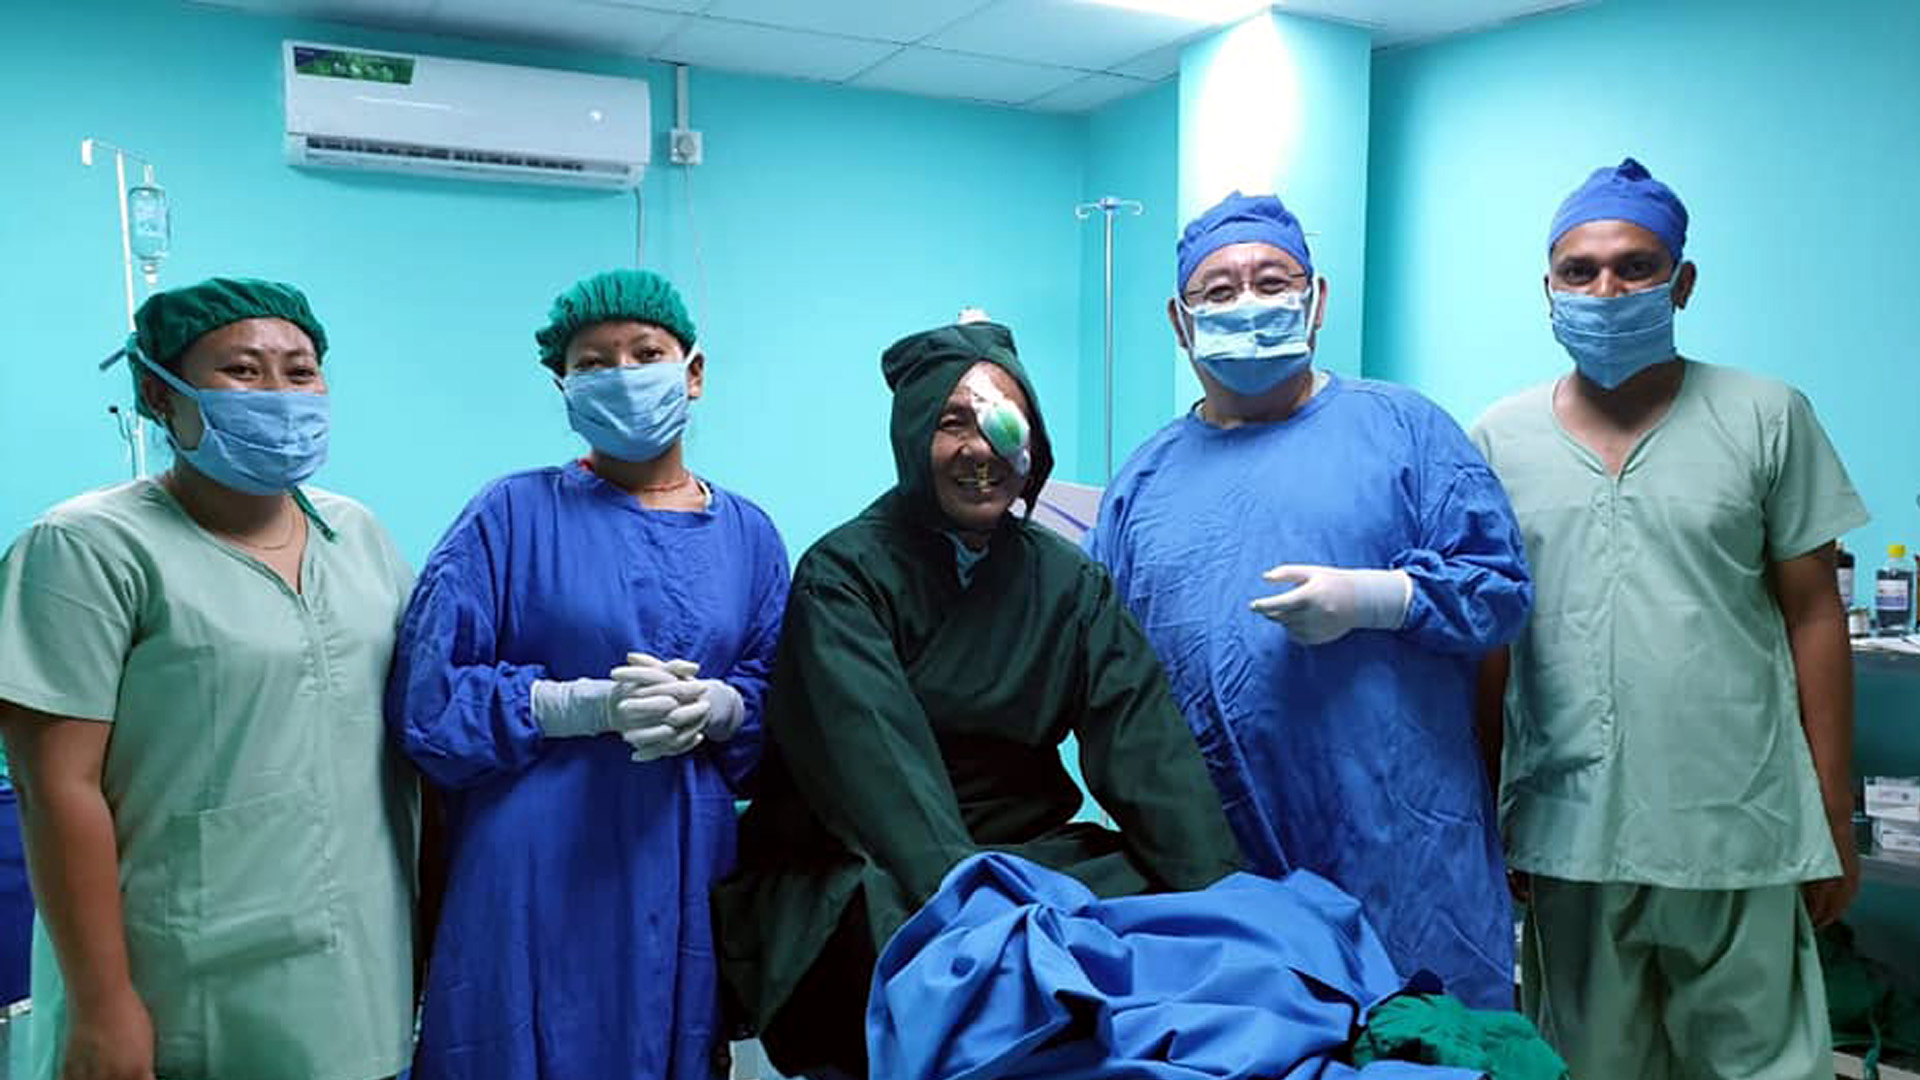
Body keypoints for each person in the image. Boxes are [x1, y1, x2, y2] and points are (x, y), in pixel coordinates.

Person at [714, 316, 1245, 1080]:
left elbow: (1147, 748)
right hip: (871, 858)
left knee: (1157, 913)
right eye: (950, 423)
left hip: (1025, 850)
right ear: (911, 438)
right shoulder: (844, 576)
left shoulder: (1070, 583)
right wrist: (981, 913)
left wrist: (1224, 903)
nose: (977, 449)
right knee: (931, 953)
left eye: (999, 422)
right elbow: (880, 768)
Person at [1470, 157, 1867, 1079]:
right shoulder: (1499, 439)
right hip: (1569, 826)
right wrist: (1487, 807)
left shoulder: (1764, 416)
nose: (1606, 290)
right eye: (1580, 271)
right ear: (1548, 288)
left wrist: (1833, 817)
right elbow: (1491, 642)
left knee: (1761, 1064)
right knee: (1590, 1062)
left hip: (1739, 819)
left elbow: (1815, 615)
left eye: (1636, 267)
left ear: (1682, 282)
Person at [1085, 192, 1533, 1008]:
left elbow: (1500, 591)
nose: (1247, 304)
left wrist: (1379, 597)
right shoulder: (1141, 486)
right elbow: (1097, 668)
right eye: (1218, 291)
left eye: (1272, 282)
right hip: (1222, 873)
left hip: (1402, 865)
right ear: (1180, 322)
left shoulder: (1404, 431)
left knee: (1426, 1042)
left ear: (1317, 299)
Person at [0, 277, 418, 1080]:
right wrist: (103, 1005)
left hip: (358, 987)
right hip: (179, 988)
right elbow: (55, 789)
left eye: (301, 371)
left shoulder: (357, 535)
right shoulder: (88, 549)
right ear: (160, 394)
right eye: (243, 370)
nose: (280, 393)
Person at [387, 268, 789, 1080]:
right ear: (563, 387)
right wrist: (575, 706)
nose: (623, 375)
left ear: (694, 373)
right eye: (594, 363)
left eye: (646, 354)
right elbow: (428, 703)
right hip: (532, 869)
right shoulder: (509, 515)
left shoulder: (749, 535)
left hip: (682, 862)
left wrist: (724, 708)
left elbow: (784, 704)